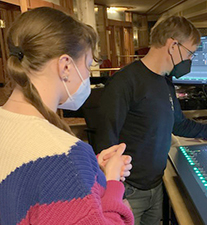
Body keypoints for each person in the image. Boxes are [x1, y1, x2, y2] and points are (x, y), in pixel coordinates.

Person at [89, 16, 207, 225]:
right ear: (173, 45)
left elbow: (179, 124)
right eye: (190, 53)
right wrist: (116, 195)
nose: (190, 60)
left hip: (155, 185)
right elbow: (106, 143)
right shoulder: (125, 82)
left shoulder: (165, 81)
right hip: (129, 191)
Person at [0, 7, 134, 225]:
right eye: (88, 65)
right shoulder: (63, 156)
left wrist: (91, 171)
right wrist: (112, 184)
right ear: (65, 66)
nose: (88, 75)